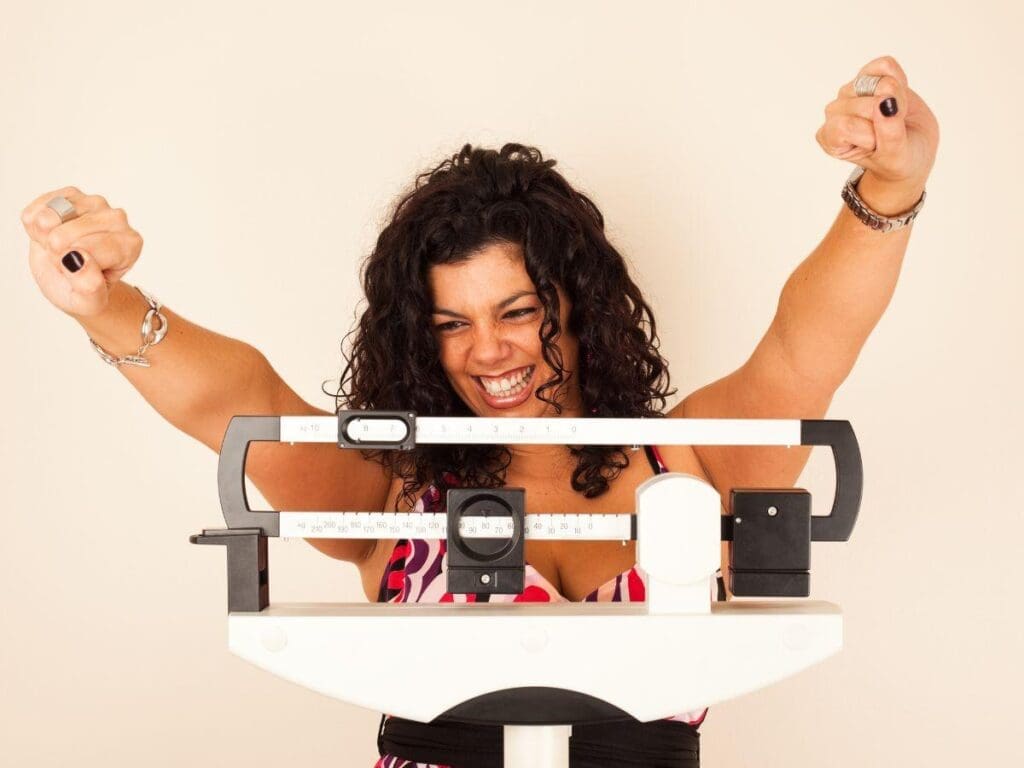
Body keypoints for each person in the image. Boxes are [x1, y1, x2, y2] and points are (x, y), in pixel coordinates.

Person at [22, 55, 937, 768]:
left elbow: (805, 346)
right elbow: (242, 399)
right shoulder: (394, 491)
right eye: (452, 324)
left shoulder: (692, 462)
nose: (487, 352)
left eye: (518, 311)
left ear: (580, 305)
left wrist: (889, 189)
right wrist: (104, 301)